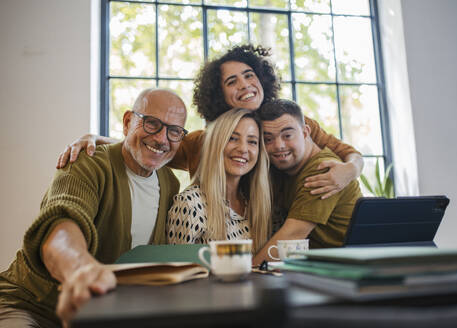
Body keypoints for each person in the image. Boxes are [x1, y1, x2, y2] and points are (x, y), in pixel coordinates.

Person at [57, 44, 363, 199]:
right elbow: (154, 147)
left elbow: (348, 152)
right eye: (232, 82)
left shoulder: (290, 125)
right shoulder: (203, 141)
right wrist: (95, 138)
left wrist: (348, 171)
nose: (244, 85)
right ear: (220, 96)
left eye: (249, 75)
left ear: (262, 79)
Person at [0, 88, 187, 327]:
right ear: (128, 122)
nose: (162, 139)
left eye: (174, 131)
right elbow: (61, 222)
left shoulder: (169, 183)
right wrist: (79, 269)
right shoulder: (86, 163)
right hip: (31, 306)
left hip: (99, 316)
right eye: (152, 124)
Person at [253, 99, 362, 265]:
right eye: (268, 139)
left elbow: (292, 237)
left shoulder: (323, 169)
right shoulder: (286, 170)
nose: (278, 146)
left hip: (345, 270)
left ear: (305, 133)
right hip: (318, 267)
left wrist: (248, 273)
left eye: (287, 135)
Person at [167, 108, 271, 253]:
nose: (243, 148)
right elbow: (180, 270)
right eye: (233, 138)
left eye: (252, 141)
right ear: (215, 143)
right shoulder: (191, 204)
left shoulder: (256, 204)